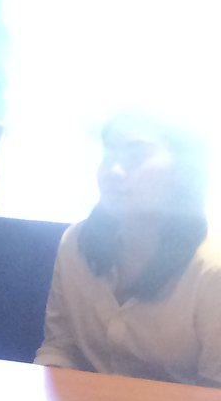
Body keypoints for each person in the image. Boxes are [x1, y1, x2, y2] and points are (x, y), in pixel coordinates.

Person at [36, 112, 221, 386]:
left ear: (183, 171)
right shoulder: (75, 243)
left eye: (136, 156)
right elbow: (59, 347)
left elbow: (215, 392)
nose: (113, 171)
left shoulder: (211, 268)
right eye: (109, 154)